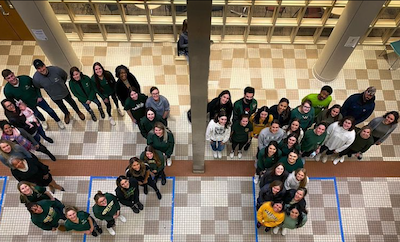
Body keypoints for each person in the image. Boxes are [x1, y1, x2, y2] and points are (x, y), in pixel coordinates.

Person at [32, 59, 85, 124]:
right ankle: (66, 114)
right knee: (61, 106)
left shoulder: (56, 70)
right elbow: (39, 86)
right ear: (37, 70)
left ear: (44, 65)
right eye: (39, 68)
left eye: (42, 66)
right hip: (54, 96)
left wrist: (60, 85)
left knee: (71, 102)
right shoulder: (36, 78)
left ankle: (78, 111)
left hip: (64, 91)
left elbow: (64, 76)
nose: (42, 69)